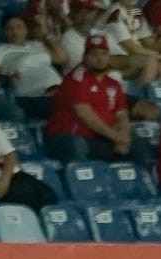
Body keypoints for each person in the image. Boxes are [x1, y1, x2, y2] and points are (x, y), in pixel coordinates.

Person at [44, 34, 153, 167]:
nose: (99, 59)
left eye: (103, 54)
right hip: (66, 138)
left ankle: (141, 184)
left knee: (137, 143)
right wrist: (116, 137)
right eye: (94, 54)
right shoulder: (76, 78)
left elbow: (121, 115)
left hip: (98, 139)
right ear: (85, 57)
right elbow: (86, 116)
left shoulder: (113, 84)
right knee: (78, 145)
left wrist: (123, 138)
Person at [0, 14, 68, 120]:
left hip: (59, 90)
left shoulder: (37, 45)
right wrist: (2, 77)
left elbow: (62, 58)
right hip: (33, 98)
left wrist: (46, 33)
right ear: (4, 32)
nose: (15, 32)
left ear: (26, 30)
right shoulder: (1, 50)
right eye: (10, 29)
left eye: (19, 27)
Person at [97, 0, 161, 86]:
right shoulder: (115, 13)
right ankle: (143, 97)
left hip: (127, 57)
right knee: (151, 61)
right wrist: (159, 55)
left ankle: (158, 98)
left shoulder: (136, 12)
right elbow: (133, 49)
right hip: (107, 57)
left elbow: (147, 41)